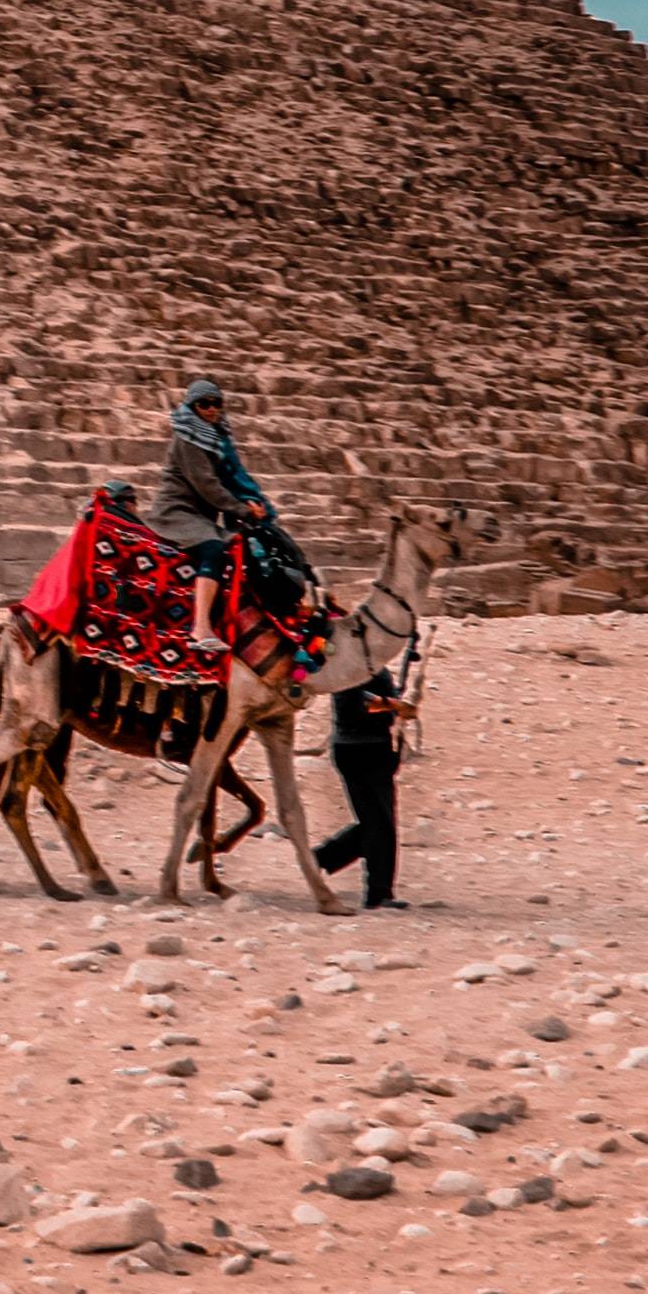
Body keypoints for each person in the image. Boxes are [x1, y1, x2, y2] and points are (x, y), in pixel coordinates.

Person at [152, 377, 306, 649]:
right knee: (214, 549)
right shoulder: (188, 438)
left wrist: (254, 504)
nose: (212, 409)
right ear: (192, 406)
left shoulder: (216, 439)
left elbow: (233, 479)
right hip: (177, 513)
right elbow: (207, 485)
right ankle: (200, 628)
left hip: (200, 516)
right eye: (204, 404)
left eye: (217, 403)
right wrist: (242, 510)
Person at [314, 664, 409, 906]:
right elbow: (358, 705)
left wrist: (393, 703)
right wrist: (394, 705)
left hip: (375, 748)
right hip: (358, 750)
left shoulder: (371, 667)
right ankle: (378, 893)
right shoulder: (349, 668)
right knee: (379, 823)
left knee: (377, 822)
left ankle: (321, 859)